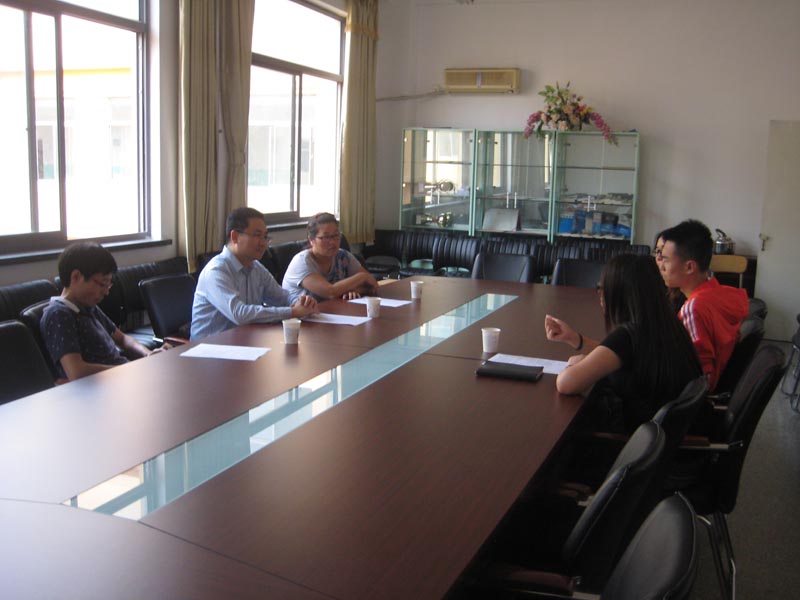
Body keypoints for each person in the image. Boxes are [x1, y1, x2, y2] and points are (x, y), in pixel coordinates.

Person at [545, 253, 701, 433]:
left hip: (628, 439)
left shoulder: (628, 335)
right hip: (665, 435)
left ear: (617, 294)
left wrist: (575, 366)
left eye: (602, 289)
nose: (600, 296)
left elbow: (566, 384)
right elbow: (619, 355)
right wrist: (574, 339)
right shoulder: (666, 324)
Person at [41, 242, 164, 381]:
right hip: (103, 385)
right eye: (102, 284)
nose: (106, 292)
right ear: (76, 276)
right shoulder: (59, 314)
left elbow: (123, 338)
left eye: (108, 285)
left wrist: (147, 355)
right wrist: (128, 369)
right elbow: (76, 371)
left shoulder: (87, 306)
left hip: (121, 377)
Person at [191, 207, 318, 340]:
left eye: (265, 237)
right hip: (209, 347)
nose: (263, 243)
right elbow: (239, 314)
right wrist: (292, 312)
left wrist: (302, 302)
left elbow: (282, 297)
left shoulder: (256, 267)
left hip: (245, 341)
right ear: (235, 236)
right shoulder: (216, 271)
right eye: (257, 236)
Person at [659, 219, 748, 391]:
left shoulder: (693, 309)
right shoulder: (721, 293)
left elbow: (700, 374)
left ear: (689, 267)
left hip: (693, 396)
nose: (661, 266)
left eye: (666, 260)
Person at [282, 212, 378, 301]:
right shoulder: (302, 262)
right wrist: (362, 277)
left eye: (336, 235)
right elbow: (330, 292)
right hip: (300, 313)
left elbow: (372, 284)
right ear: (311, 240)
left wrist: (355, 290)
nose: (332, 242)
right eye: (326, 237)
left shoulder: (343, 256)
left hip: (332, 310)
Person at [654, 229, 686, 313]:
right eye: (658, 251)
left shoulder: (687, 293)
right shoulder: (654, 282)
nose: (659, 257)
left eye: (665, 253)